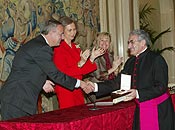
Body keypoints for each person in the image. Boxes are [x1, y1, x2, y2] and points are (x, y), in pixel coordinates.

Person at [0, 19, 94, 120]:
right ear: (51, 33)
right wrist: (80, 84)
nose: (62, 38)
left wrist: (42, 82)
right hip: (16, 100)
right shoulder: (42, 48)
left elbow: (28, 69)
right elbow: (56, 74)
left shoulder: (37, 44)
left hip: (17, 99)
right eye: (60, 34)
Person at [89, 29, 174, 130]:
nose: (129, 46)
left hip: (159, 110)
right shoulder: (131, 61)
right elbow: (118, 83)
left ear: (143, 43)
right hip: (141, 108)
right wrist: (94, 87)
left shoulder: (156, 59)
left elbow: (161, 87)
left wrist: (137, 93)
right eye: (128, 43)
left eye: (131, 42)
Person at [53, 16, 104, 109]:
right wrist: (81, 62)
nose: (73, 33)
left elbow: (82, 70)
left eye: (74, 29)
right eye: (70, 30)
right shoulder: (58, 48)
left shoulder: (76, 47)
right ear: (62, 31)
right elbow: (64, 73)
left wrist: (92, 58)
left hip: (78, 87)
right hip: (66, 88)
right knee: (70, 116)